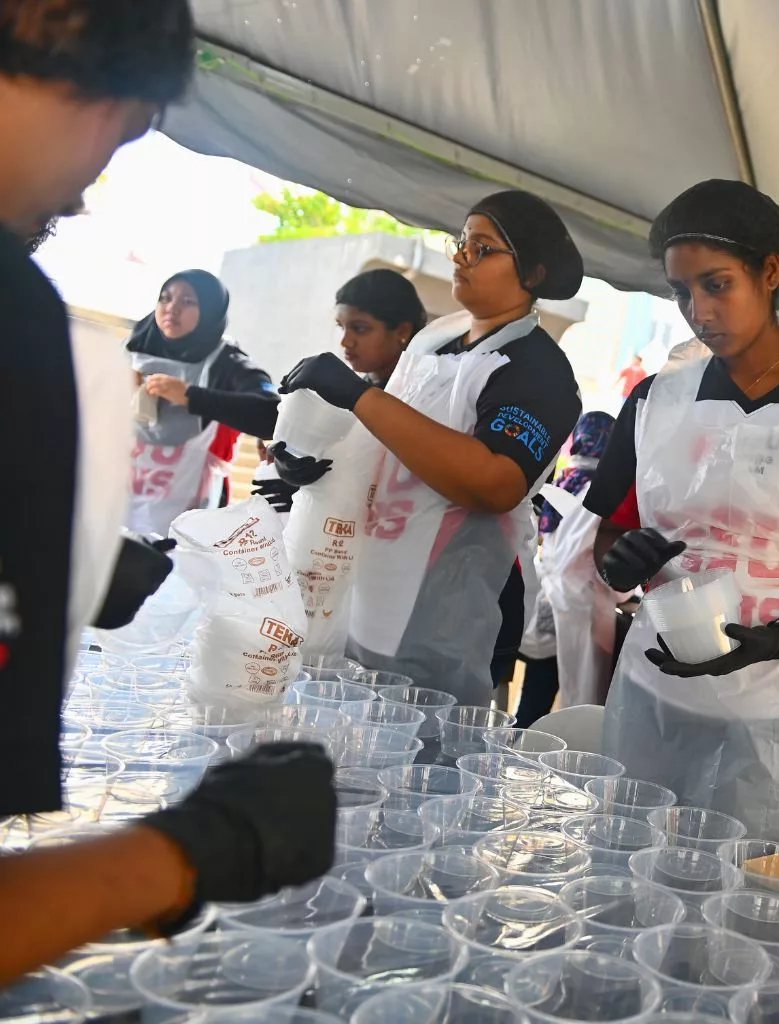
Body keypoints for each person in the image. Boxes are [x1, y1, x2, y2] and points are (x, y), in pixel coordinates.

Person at [0, 0, 334, 984]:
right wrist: (195, 847)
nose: (94, 185)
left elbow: (267, 417)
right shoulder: (25, 327)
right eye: (131, 122)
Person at [587, 178, 779, 844]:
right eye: (681, 292)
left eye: (716, 284)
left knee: (741, 896)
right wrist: (620, 559)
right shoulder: (656, 401)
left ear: (769, 272)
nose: (698, 311)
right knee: (631, 870)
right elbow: (613, 531)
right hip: (657, 699)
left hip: (778, 720)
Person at [281, 190, 584, 708]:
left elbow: (494, 482)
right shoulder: (434, 343)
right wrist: (320, 465)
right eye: (462, 243)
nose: (461, 258)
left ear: (531, 273)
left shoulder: (539, 370)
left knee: (418, 759)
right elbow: (385, 444)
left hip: (447, 609)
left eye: (483, 249)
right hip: (369, 582)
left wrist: (360, 396)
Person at [254, 267, 428, 514]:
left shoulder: (428, 396)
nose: (345, 341)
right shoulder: (344, 395)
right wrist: (291, 467)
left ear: (401, 331)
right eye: (341, 326)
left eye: (360, 328)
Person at [126, 269, 278, 535]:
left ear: (209, 310)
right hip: (119, 501)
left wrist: (191, 396)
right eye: (165, 298)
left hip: (185, 520)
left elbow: (271, 414)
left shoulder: (226, 362)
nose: (171, 308)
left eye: (187, 301)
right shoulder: (133, 347)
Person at [514, 410, 620, 727]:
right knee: (580, 710)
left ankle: (519, 753)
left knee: (538, 693)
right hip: (580, 605)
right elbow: (603, 560)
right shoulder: (601, 491)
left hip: (547, 599)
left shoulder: (565, 480)